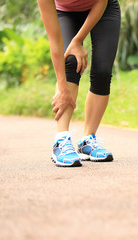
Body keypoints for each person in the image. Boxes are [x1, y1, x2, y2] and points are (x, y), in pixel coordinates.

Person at [37, 0, 120, 167]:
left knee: (102, 71)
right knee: (71, 62)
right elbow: (55, 42)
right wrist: (62, 87)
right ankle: (61, 141)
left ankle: (87, 140)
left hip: (103, 7)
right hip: (65, 12)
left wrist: (78, 40)